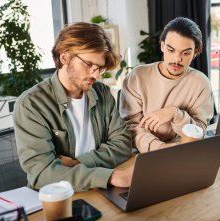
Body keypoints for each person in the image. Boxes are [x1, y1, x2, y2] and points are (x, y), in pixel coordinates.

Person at [13, 22, 133, 192]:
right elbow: (42, 174)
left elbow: (123, 143)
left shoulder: (103, 93)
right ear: (65, 58)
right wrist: (110, 176)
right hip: (59, 196)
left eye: (100, 68)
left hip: (97, 188)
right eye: (89, 64)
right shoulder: (31, 105)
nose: (95, 74)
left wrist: (80, 162)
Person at [120, 17, 214, 153]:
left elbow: (199, 131)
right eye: (171, 50)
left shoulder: (201, 83)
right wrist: (161, 149)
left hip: (182, 150)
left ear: (196, 52)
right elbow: (131, 126)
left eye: (186, 53)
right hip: (144, 152)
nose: (177, 59)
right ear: (162, 46)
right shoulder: (137, 77)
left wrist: (175, 113)